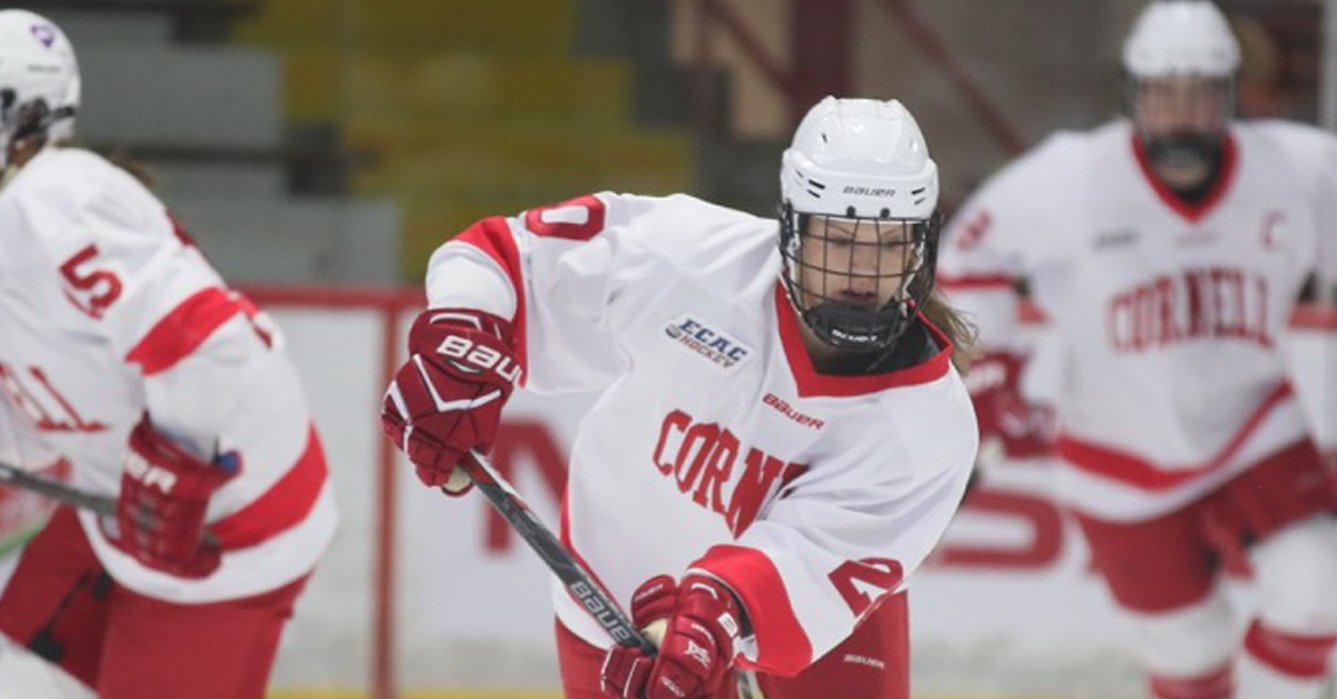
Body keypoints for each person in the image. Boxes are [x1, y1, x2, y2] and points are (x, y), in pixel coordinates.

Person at [380, 96, 978, 699]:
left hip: (807, 620)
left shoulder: (928, 424)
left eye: (889, 244)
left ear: (919, 248)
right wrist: (460, 346)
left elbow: (809, 563)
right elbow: (505, 256)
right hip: (618, 582)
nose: (863, 271)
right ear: (794, 228)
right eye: (841, 239)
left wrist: (714, 619)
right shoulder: (692, 260)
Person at [938, 2, 1337, 698]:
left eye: (1199, 93)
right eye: (1162, 93)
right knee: (1189, 647)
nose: (1180, 114)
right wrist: (992, 365)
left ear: (1229, 95)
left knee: (1319, 586)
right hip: (1117, 459)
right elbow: (968, 252)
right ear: (1133, 94)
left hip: (1254, 429)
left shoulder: (1299, 170)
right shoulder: (1071, 179)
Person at [0, 9, 337, 698]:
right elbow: (32, 429)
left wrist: (175, 467)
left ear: (26, 115)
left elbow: (206, 337)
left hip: (227, 532)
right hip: (123, 511)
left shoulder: (53, 198)